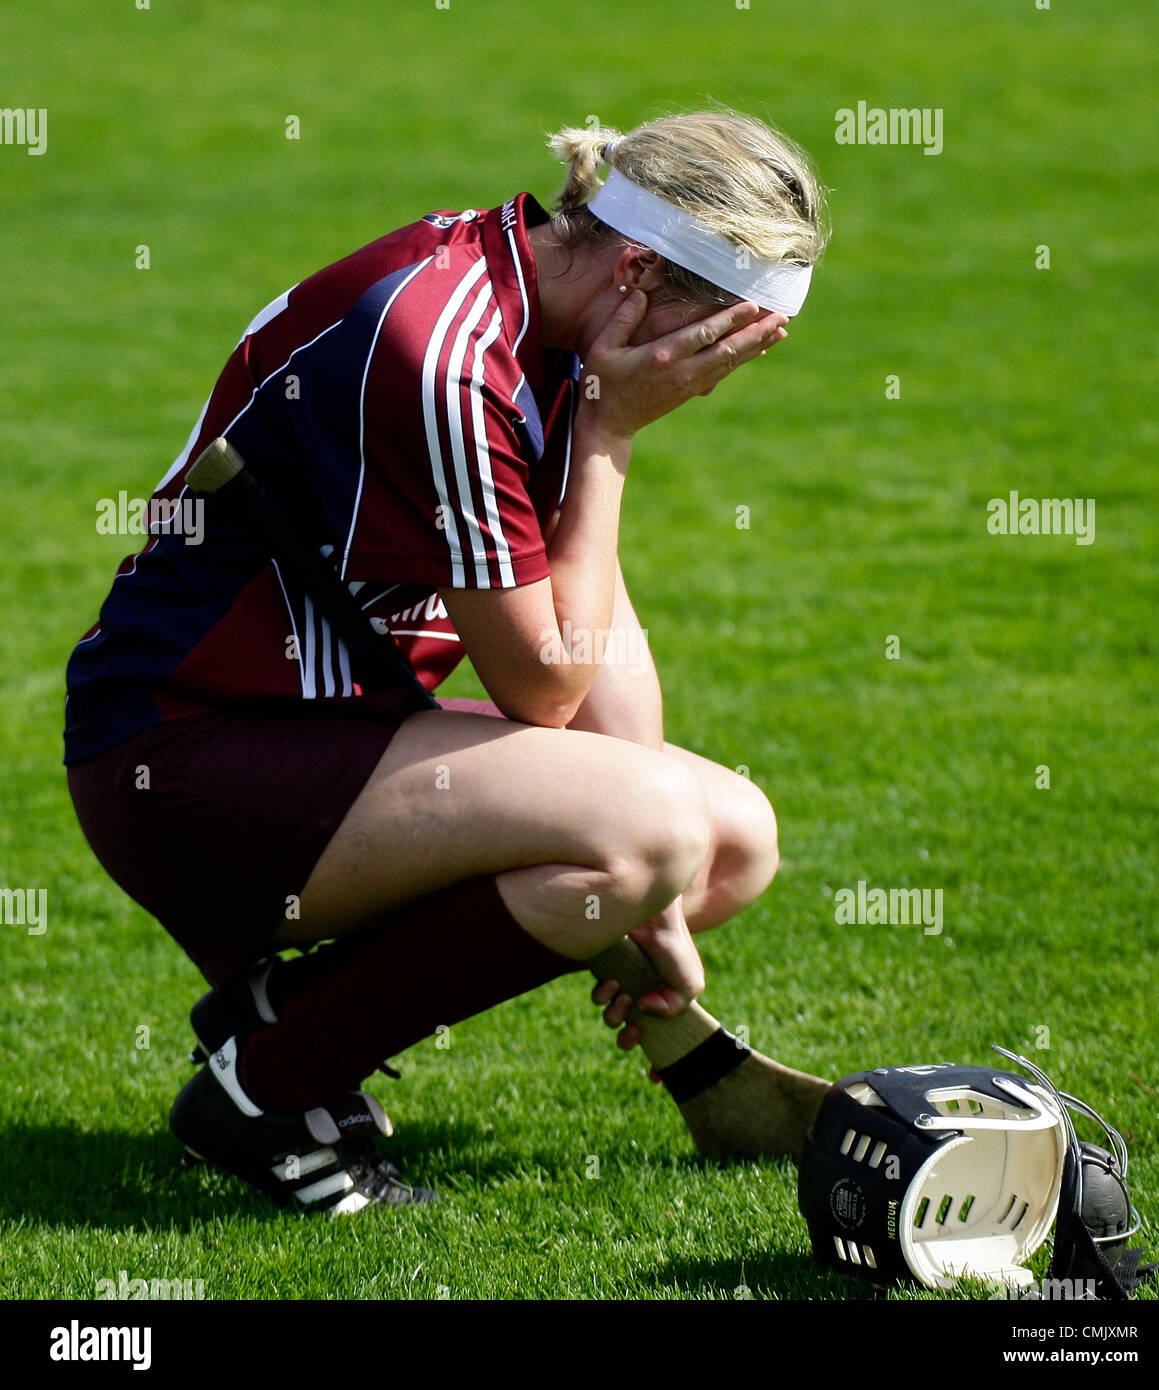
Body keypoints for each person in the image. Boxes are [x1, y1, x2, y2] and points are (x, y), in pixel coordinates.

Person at [63, 107, 830, 1215]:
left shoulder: (545, 311)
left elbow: (587, 609)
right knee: (648, 831)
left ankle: (287, 1012)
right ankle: (270, 1089)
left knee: (724, 846)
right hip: (182, 757)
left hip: (332, 731)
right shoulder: (447, 353)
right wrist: (611, 437)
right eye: (716, 342)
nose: (709, 379)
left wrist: (645, 902)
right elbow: (545, 682)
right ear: (639, 274)